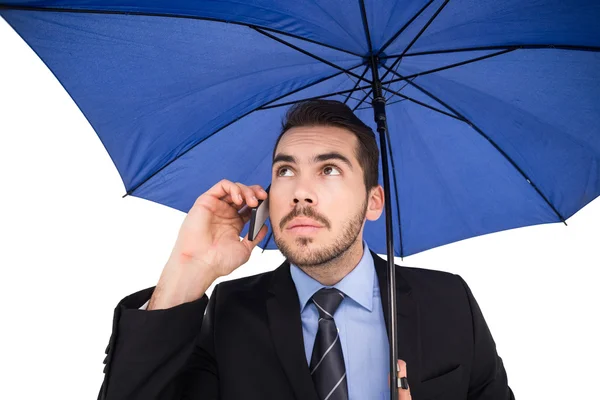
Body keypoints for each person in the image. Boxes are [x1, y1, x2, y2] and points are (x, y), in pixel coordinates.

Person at [98, 100, 514, 400]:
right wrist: (186, 270)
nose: (301, 192)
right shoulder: (229, 311)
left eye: (329, 169)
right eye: (285, 170)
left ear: (373, 202)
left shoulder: (448, 301)